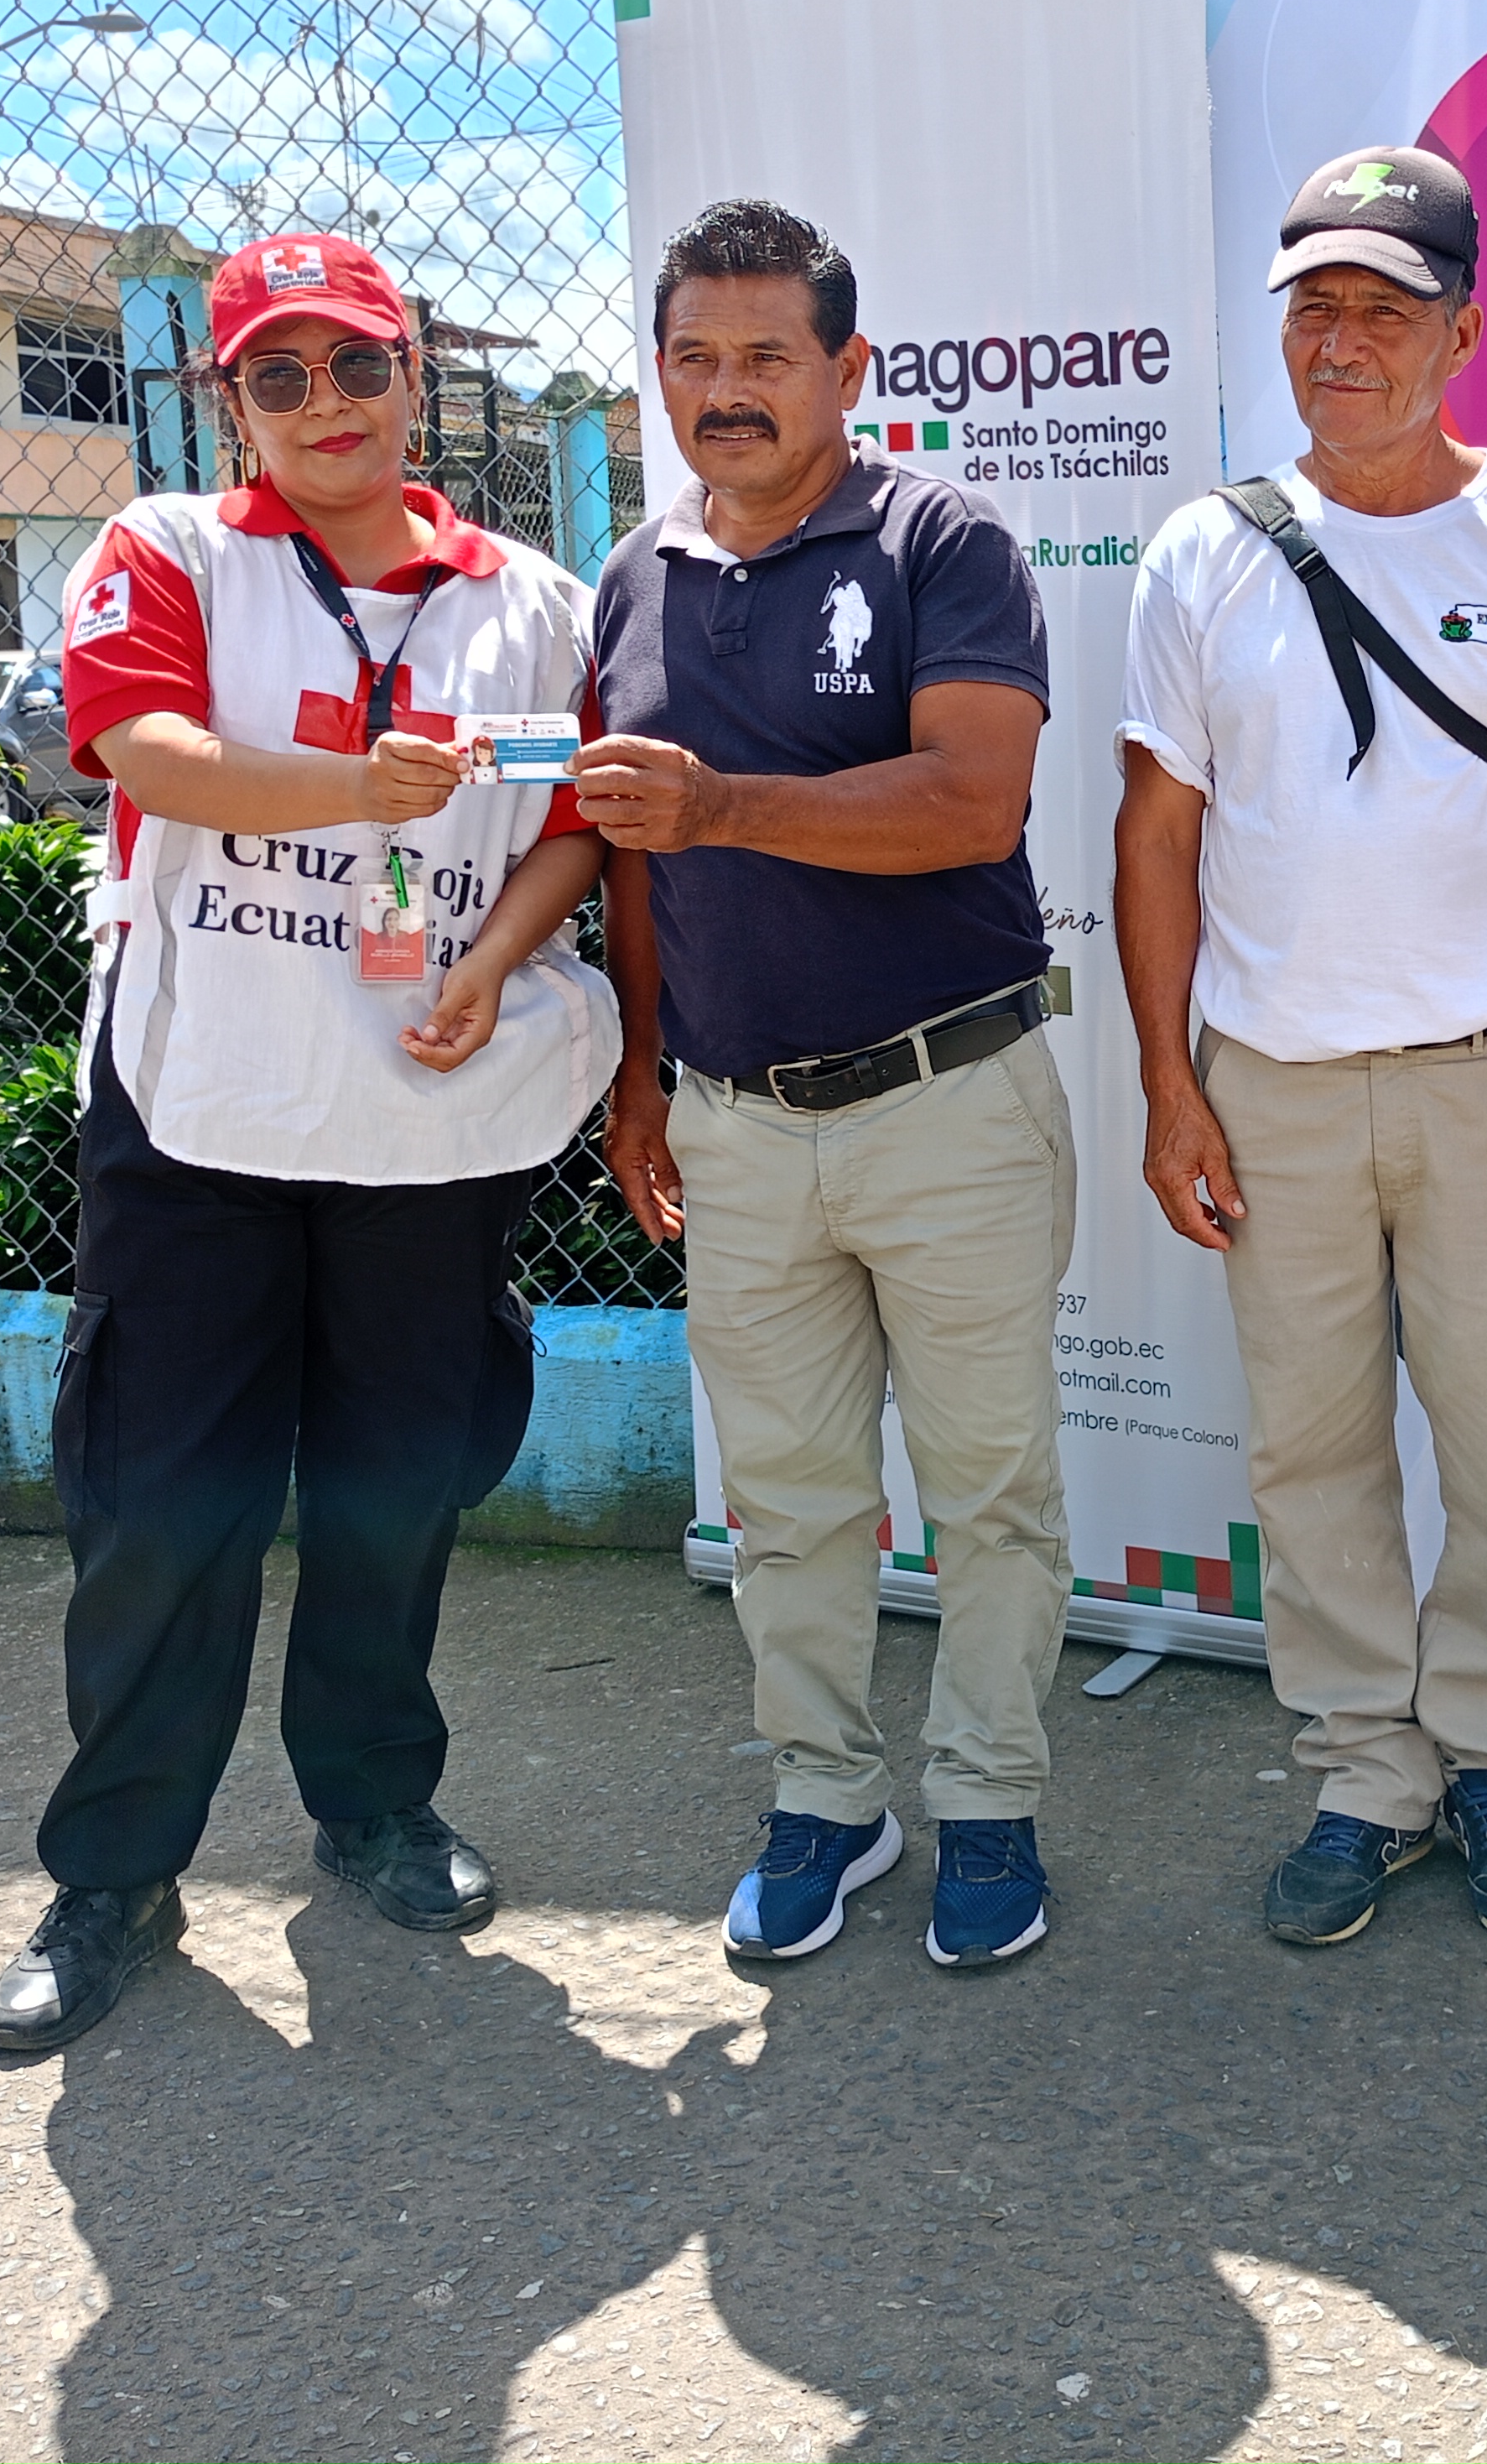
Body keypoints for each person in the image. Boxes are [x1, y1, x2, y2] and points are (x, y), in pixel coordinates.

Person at [0, 231, 620, 2056]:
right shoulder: (172, 550)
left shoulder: (530, 602)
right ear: (232, 402)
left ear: (414, 379)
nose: (323, 403)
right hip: (208, 1101)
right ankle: (116, 1872)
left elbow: (570, 820)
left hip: (424, 1107)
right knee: (158, 1500)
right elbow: (144, 748)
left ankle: (374, 1802)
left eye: (355, 365)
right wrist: (360, 787)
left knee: (393, 1482)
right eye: (279, 374)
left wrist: (491, 964)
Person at [1115, 145, 1487, 1951]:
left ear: (1463, 335)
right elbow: (1156, 832)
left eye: (1382, 311)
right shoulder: (1205, 551)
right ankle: (1367, 1769)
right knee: (1312, 1454)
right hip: (1267, 1082)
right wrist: (1169, 1084)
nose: (1340, 345)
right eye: (1314, 311)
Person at [575, 198, 1074, 1975]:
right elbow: (633, 859)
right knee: (783, 1497)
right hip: (733, 1119)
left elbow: (973, 803)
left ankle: (991, 1806)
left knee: (989, 1485)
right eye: (694, 356)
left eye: (767, 356)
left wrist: (718, 803)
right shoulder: (632, 580)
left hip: (949, 1096)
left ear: (846, 368)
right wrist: (641, 1074)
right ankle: (826, 1798)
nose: (728, 390)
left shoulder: (943, 541)